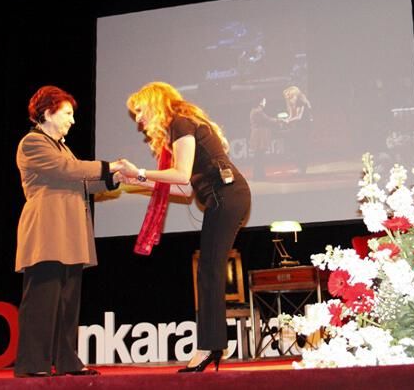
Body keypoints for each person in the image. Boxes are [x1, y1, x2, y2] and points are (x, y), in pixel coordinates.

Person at [120, 82, 251, 373]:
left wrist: (139, 171)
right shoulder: (180, 127)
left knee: (209, 271)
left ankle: (210, 347)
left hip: (227, 196)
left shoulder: (180, 123)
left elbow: (180, 175)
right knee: (208, 270)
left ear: (155, 104)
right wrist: (137, 180)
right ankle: (213, 345)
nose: (139, 119)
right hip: (225, 197)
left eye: (140, 111)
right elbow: (183, 188)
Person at [14, 85, 127, 378]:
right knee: (42, 300)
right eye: (67, 113)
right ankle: (33, 364)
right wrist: (108, 166)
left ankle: (67, 361)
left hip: (70, 232)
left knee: (67, 302)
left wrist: (114, 179)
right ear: (48, 113)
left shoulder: (61, 148)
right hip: (47, 231)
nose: (72, 120)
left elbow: (80, 180)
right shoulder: (32, 143)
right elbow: (68, 170)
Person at [281, 85, 313, 174]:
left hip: (304, 128)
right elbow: (292, 116)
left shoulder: (301, 102)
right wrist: (286, 120)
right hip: (297, 128)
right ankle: (299, 167)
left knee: (301, 147)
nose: (288, 99)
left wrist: (288, 121)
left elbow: (299, 117)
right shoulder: (292, 104)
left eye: (289, 96)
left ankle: (302, 168)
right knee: (297, 147)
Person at [249, 97, 279, 180]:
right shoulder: (258, 111)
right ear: (260, 102)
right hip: (259, 136)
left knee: (258, 156)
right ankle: (258, 176)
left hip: (258, 135)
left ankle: (259, 175)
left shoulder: (255, 111)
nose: (265, 102)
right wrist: (278, 120)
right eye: (264, 101)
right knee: (259, 156)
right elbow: (267, 120)